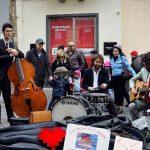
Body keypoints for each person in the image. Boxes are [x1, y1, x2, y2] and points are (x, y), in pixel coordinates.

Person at [0, 23, 24, 123]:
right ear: (3, 32)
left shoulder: (12, 44)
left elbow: (22, 55)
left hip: (7, 77)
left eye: (10, 31)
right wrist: (10, 55)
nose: (9, 33)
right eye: (7, 31)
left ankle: (10, 118)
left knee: (7, 99)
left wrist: (16, 52)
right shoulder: (0, 43)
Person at [110, 45, 136, 113]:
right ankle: (117, 106)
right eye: (114, 51)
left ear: (119, 52)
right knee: (115, 91)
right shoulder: (111, 58)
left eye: (116, 51)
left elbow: (128, 67)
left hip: (121, 77)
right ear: (112, 52)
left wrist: (135, 75)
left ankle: (120, 106)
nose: (115, 52)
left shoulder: (122, 57)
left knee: (120, 92)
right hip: (114, 77)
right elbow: (111, 68)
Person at [129, 52, 150, 121]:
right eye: (145, 64)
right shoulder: (143, 70)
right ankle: (137, 127)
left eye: (147, 64)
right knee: (132, 106)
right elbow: (132, 80)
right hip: (146, 100)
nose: (146, 66)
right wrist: (132, 88)